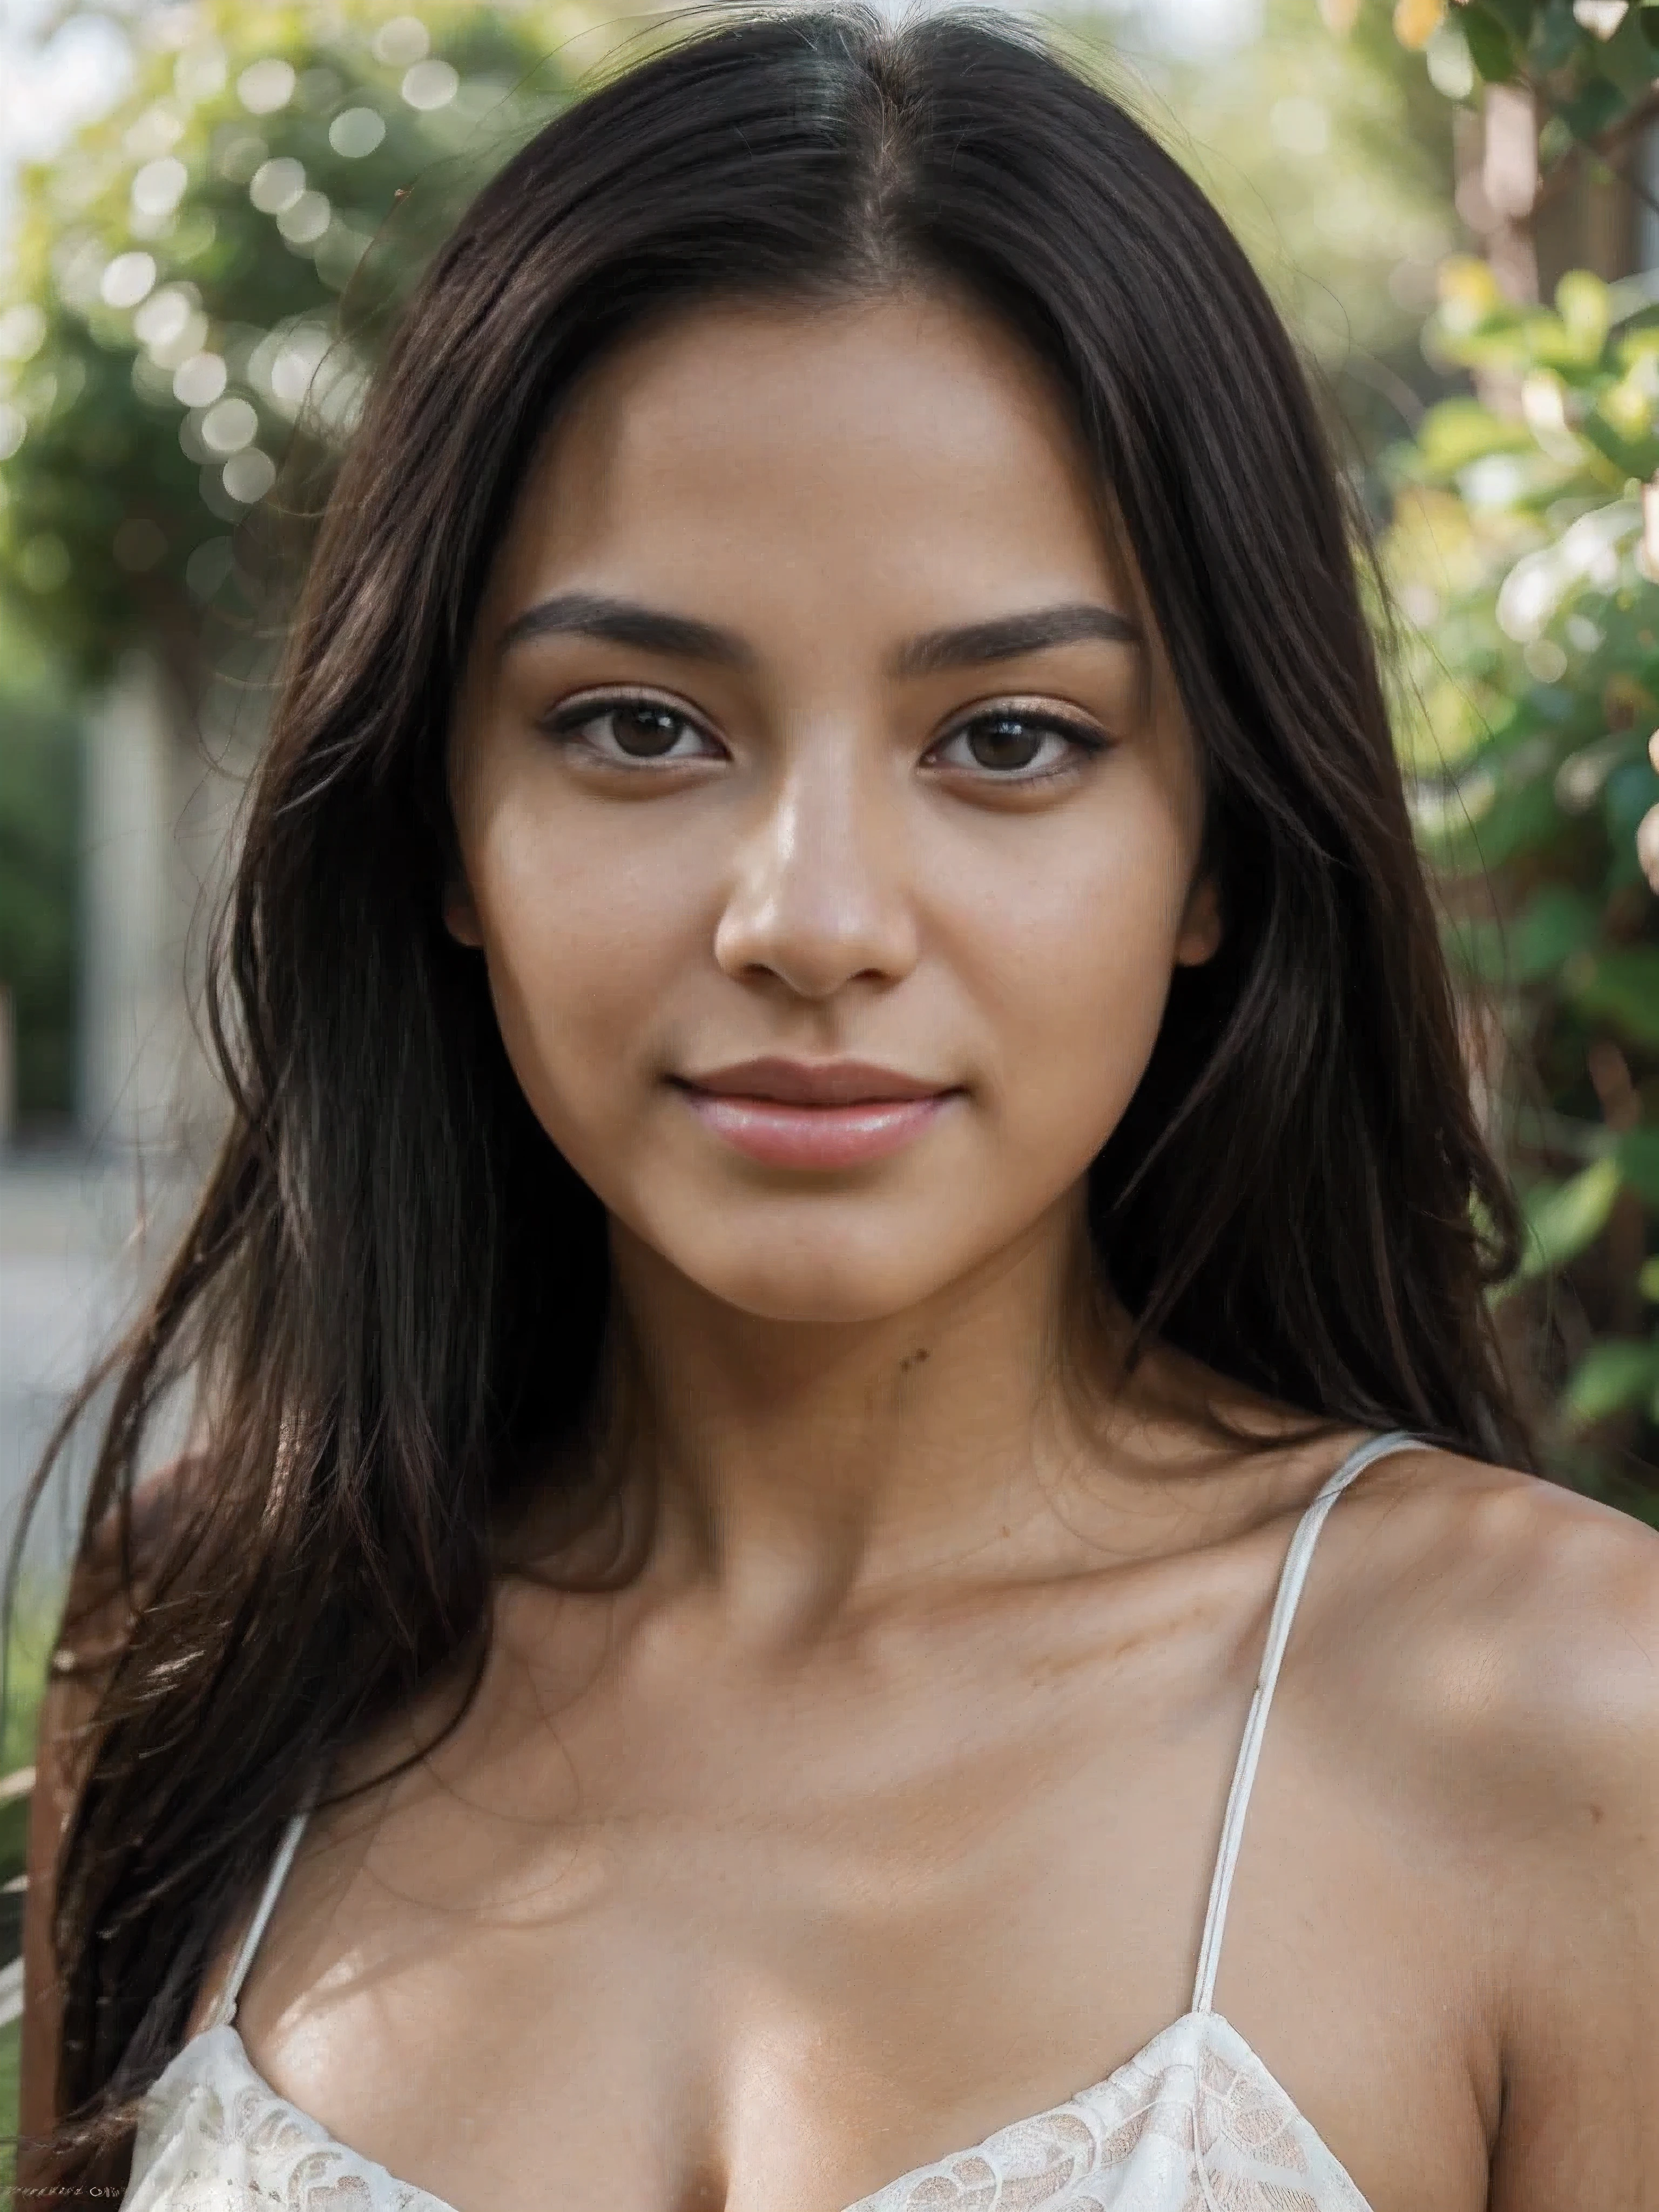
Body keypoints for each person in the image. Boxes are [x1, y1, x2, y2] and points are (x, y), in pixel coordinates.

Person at [12, 6, 1659, 2207]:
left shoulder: (1570, 1728)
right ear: (439, 819)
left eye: (1006, 740)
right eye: (635, 725)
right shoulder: (224, 1640)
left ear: (1219, 850)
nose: (810, 918)